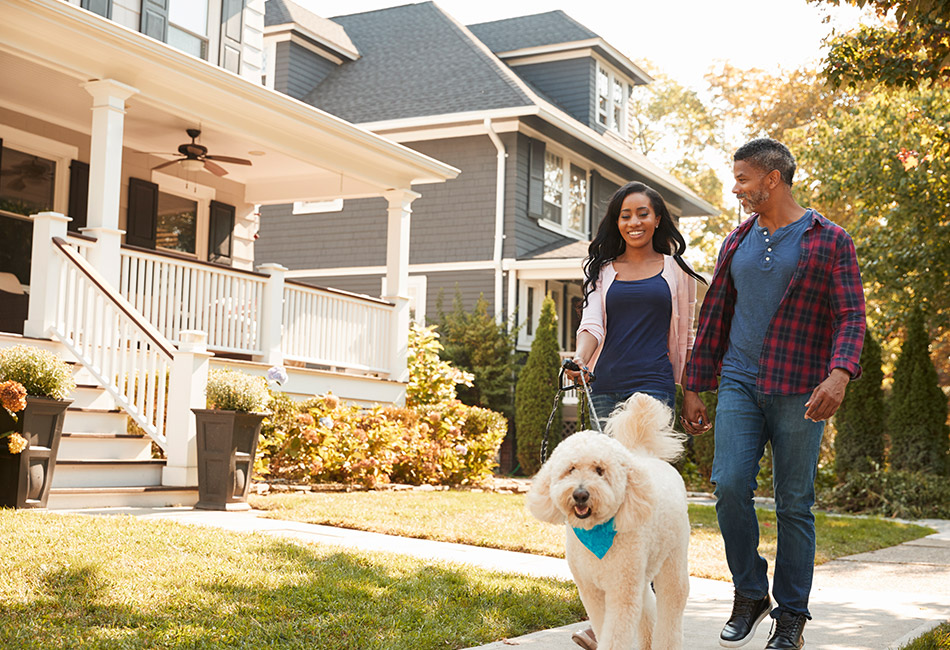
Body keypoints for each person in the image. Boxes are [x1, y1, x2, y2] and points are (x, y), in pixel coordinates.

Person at [681, 138, 866, 650]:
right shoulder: (736, 239)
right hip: (740, 381)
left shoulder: (829, 240)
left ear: (772, 179)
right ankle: (749, 592)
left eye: (742, 178)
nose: (735, 188)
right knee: (730, 485)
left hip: (801, 388)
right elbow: (715, 315)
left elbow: (851, 315)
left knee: (794, 505)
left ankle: (791, 616)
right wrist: (695, 382)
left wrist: (840, 373)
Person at [567, 180, 705, 650]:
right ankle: (611, 617)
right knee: (605, 498)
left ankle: (635, 619)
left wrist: (690, 392)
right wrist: (579, 359)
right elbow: (591, 325)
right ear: (616, 221)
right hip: (606, 385)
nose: (634, 222)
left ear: (658, 217)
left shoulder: (676, 272)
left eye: (643, 213)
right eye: (625, 215)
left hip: (654, 387)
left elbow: (686, 338)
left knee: (643, 498)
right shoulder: (603, 271)